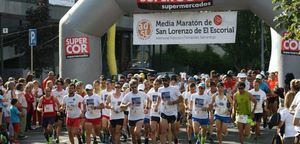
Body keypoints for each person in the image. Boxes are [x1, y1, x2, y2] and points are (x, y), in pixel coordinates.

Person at [121, 80, 149, 144]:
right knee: (133, 136)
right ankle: (138, 141)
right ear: (130, 87)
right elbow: (121, 105)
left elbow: (148, 99)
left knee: (137, 132)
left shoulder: (142, 94)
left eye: (135, 87)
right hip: (131, 117)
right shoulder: (128, 95)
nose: (134, 89)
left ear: (137, 86)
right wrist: (127, 105)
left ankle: (139, 141)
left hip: (140, 116)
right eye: (132, 87)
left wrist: (146, 107)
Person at [158, 75, 183, 144]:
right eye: (163, 81)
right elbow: (159, 98)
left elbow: (181, 99)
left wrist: (173, 102)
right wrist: (156, 106)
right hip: (163, 112)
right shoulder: (160, 89)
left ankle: (175, 139)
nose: (164, 82)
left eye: (165, 80)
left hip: (172, 112)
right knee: (163, 131)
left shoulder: (174, 89)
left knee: (173, 130)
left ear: (169, 81)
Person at [147, 79, 161, 143]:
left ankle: (159, 138)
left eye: (157, 84)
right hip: (153, 113)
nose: (155, 86)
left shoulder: (162, 92)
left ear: (160, 85)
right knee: (152, 130)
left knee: (162, 131)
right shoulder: (150, 93)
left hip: (161, 113)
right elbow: (148, 101)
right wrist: (147, 108)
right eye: (154, 84)